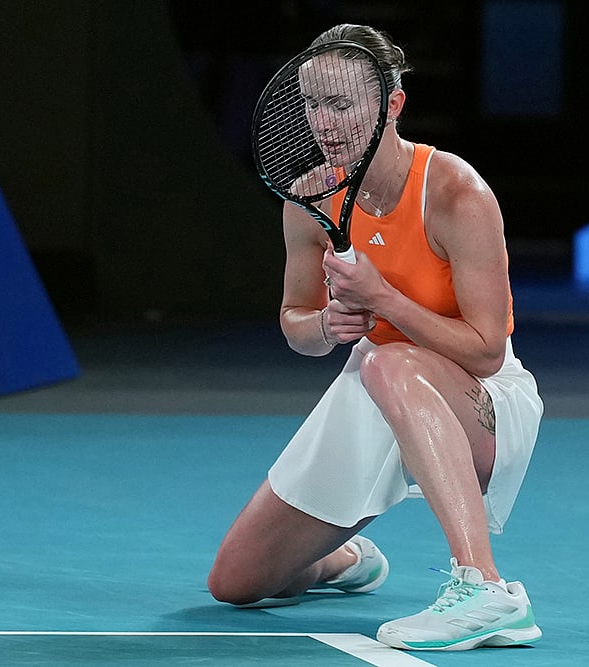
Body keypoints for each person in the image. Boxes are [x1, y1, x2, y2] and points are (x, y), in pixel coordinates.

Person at [207, 23, 544, 652]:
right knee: (236, 582)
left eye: (341, 103)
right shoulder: (308, 200)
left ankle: (487, 589)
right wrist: (326, 325)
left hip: (482, 401)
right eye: (311, 103)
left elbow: (486, 349)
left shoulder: (456, 194)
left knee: (388, 365)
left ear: (392, 104)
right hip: (375, 383)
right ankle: (346, 560)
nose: (323, 122)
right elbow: (296, 324)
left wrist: (384, 299)